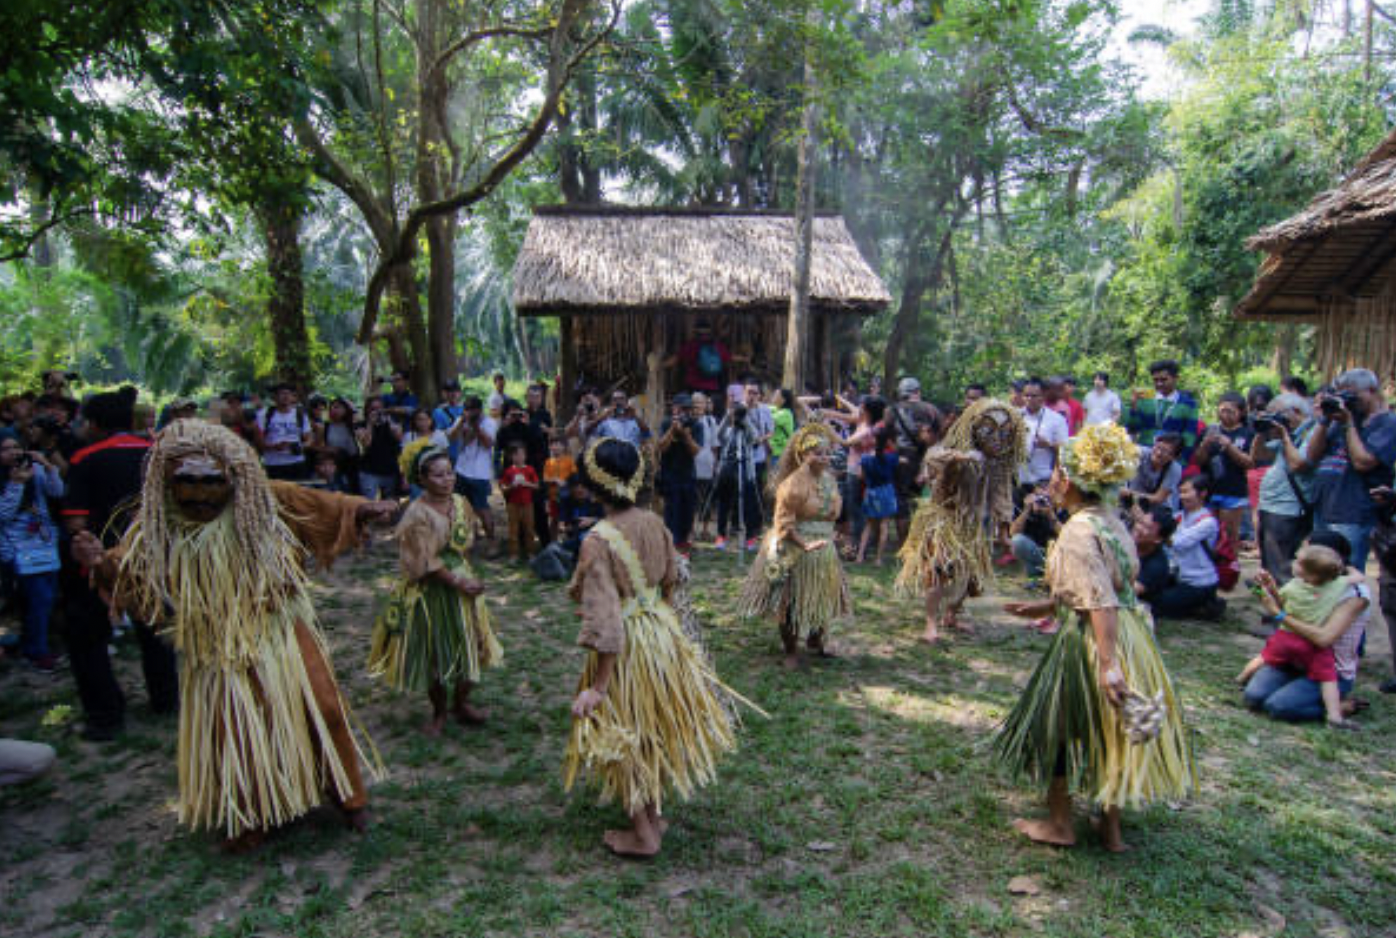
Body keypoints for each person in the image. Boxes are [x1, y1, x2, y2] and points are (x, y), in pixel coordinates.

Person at [73, 420, 396, 848]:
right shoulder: (159, 523)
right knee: (237, 731)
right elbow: (130, 574)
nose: (199, 494)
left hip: (281, 629)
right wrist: (99, 563)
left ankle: (350, 799)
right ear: (167, 480)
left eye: (211, 480)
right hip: (217, 645)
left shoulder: (267, 499)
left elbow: (323, 504)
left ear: (233, 476)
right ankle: (254, 814)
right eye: (186, 481)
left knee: (323, 708)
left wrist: (362, 509)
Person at [997, 423, 1194, 853]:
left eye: (1056, 473)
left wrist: (1107, 664)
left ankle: (1060, 825)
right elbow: (1109, 584)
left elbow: (1100, 599)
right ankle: (1110, 827)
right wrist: (1048, 606)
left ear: (1068, 480)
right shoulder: (1112, 521)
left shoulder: (1077, 530)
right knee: (1111, 727)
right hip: (1130, 634)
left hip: (1094, 639)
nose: (1051, 481)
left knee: (1060, 725)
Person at [563, 438, 757, 857]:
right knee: (650, 726)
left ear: (592, 486)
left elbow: (607, 623)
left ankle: (643, 835)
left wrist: (599, 686)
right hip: (661, 636)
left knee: (623, 730)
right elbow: (671, 577)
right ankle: (651, 817)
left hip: (628, 649)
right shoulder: (653, 520)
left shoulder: (597, 540)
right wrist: (655, 617)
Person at [60, 391, 178, 741]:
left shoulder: (85, 457)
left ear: (94, 424)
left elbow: (76, 523)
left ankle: (105, 717)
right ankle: (166, 700)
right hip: (151, 558)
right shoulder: (157, 454)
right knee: (155, 630)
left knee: (86, 639)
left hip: (101, 564)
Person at [369, 443, 502, 735]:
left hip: (463, 588)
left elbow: (465, 541)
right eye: (438, 475)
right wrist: (458, 581)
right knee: (436, 654)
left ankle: (461, 704)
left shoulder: (460, 502)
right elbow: (425, 560)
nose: (447, 479)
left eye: (450, 473)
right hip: (431, 591)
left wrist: (467, 573)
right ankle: (439, 712)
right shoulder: (417, 514)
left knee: (473, 645)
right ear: (422, 479)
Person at [898, 398, 1026, 643]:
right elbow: (933, 457)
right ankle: (931, 624)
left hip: (971, 525)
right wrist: (959, 458)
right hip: (943, 519)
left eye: (1003, 434)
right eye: (990, 432)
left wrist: (1003, 531)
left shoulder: (998, 464)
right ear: (976, 430)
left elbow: (1001, 497)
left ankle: (951, 615)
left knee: (969, 576)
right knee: (938, 570)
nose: (997, 439)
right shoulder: (956, 447)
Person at [740, 425, 850, 668]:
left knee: (821, 595)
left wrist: (836, 537)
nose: (824, 457)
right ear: (803, 454)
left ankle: (816, 639)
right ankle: (791, 649)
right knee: (789, 599)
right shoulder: (792, 484)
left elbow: (833, 516)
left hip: (822, 548)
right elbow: (784, 524)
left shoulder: (830, 481)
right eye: (817, 453)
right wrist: (805, 544)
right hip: (793, 548)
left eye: (827, 453)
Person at [1246, 530, 1370, 719]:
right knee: (1253, 697)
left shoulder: (1355, 594)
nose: (1298, 558)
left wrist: (1279, 615)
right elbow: (1290, 610)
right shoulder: (1308, 579)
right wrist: (1270, 590)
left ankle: (1341, 707)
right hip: (1294, 657)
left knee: (1279, 707)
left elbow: (1324, 639)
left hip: (1329, 669)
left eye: (1304, 552)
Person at [1304, 368, 1396, 570]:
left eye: (1352, 394)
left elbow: (1363, 462)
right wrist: (1325, 419)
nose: (1347, 400)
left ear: (1371, 391)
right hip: (1325, 505)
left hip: (1354, 511)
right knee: (1319, 571)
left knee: (1346, 571)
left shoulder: (1388, 423)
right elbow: (1311, 456)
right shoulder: (1341, 420)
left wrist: (1348, 424)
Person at [0, 439, 64, 671]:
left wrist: (47, 466)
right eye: (5, 449)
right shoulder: (9, 479)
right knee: (39, 598)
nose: (13, 452)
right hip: (16, 548)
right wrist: (16, 484)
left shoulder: (34, 470)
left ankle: (34, 645)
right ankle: (37, 651)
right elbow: (3, 515)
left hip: (44, 543)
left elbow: (57, 491)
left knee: (44, 598)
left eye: (16, 447)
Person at [1252, 394, 1316, 584]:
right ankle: (1272, 598)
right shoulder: (1288, 433)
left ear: (1295, 412)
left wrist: (1284, 435)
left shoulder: (1310, 433)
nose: (1274, 420)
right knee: (1269, 566)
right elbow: (1258, 456)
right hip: (1272, 506)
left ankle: (1283, 601)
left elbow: (1298, 464)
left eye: (1277, 415)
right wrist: (1261, 430)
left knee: (1281, 567)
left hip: (1288, 508)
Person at [1150, 476, 1224, 620]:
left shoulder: (1208, 522)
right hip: (1179, 577)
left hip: (1199, 583)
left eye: (1186, 492)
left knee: (1157, 605)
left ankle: (1204, 605)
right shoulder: (1179, 516)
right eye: (1180, 492)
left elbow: (1178, 543)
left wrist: (1158, 535)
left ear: (1203, 493)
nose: (1182, 497)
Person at [1192, 392, 1255, 548]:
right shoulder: (1210, 430)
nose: (1225, 415)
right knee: (1207, 534)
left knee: (1229, 536)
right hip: (1210, 489)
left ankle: (1230, 562)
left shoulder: (1248, 433)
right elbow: (1198, 461)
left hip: (1234, 490)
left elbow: (1249, 462)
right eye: (1222, 410)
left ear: (1241, 412)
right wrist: (1205, 444)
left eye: (1230, 411)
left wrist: (1229, 447)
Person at [889, 377, 941, 535]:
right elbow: (939, 436)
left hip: (902, 458)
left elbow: (887, 437)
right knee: (925, 499)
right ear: (918, 391)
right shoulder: (931, 409)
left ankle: (903, 542)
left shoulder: (892, 410)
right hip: (927, 457)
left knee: (901, 499)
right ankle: (923, 538)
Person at [1125, 359, 1199, 458]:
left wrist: (1180, 461)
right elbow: (1133, 429)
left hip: (1170, 458)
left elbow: (1189, 437)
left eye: (1164, 380)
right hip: (1144, 455)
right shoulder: (1145, 400)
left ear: (1176, 378)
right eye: (1155, 380)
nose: (1159, 384)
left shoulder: (1189, 404)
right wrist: (1134, 407)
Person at [656, 393, 702, 550]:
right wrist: (672, 430)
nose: (684, 412)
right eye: (681, 409)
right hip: (669, 475)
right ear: (674, 408)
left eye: (687, 409)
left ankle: (683, 543)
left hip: (688, 474)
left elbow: (695, 451)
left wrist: (686, 435)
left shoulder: (696, 425)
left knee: (687, 511)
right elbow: (661, 447)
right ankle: (670, 544)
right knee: (671, 511)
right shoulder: (666, 422)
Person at [712, 403, 761, 550]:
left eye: (739, 414)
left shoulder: (747, 431)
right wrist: (727, 417)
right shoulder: (728, 431)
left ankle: (749, 538)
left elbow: (755, 437)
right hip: (727, 469)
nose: (737, 417)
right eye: (736, 414)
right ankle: (721, 536)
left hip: (745, 471)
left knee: (748, 505)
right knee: (724, 504)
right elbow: (718, 434)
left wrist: (745, 420)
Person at [449, 395, 498, 542]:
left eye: (473, 411)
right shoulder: (461, 420)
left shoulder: (489, 422)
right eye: (467, 410)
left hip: (480, 474)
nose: (470, 414)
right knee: (459, 507)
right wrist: (461, 422)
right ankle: (469, 537)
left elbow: (488, 444)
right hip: (461, 470)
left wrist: (476, 427)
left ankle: (491, 540)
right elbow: (450, 438)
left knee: (481, 508)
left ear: (480, 410)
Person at [856, 426, 899, 565]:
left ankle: (860, 556)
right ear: (887, 441)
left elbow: (860, 476)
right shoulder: (891, 457)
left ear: (873, 440)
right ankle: (878, 559)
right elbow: (897, 460)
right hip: (887, 491)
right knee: (884, 525)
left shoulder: (865, 458)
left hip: (871, 492)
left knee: (868, 525)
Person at [1018, 378, 1069, 491]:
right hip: (1017, 479)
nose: (1029, 399)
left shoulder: (1056, 420)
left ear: (1043, 396)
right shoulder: (1015, 416)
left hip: (1043, 481)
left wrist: (1048, 445)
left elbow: (1066, 450)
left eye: (1034, 396)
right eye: (1026, 395)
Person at [257, 383, 313, 481]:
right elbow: (258, 441)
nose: (286, 396)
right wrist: (274, 447)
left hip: (296, 462)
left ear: (293, 397)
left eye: (288, 394)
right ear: (275, 397)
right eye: (282, 393)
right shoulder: (264, 414)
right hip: (273, 463)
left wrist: (299, 446)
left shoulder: (300, 414)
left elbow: (309, 439)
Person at [1009, 483, 1061, 583]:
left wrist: (1051, 515)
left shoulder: (1060, 507)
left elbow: (1065, 534)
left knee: (1032, 569)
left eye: (1044, 497)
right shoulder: (1025, 508)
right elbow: (1013, 533)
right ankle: (1043, 572)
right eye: (1037, 497)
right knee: (1017, 540)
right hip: (1034, 552)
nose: (1041, 501)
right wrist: (1026, 510)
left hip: (1055, 554)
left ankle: (1041, 574)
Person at [356, 396, 403, 499]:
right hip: (369, 471)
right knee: (369, 503)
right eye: (372, 408)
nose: (376, 411)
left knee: (391, 503)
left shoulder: (392, 422)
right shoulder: (360, 425)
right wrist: (370, 424)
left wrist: (389, 421)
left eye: (379, 408)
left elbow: (399, 437)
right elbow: (366, 444)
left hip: (391, 470)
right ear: (367, 410)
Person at [1126, 432, 1183, 513]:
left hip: (1152, 508)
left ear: (1173, 457)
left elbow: (1158, 498)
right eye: (1158, 447)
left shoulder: (1175, 470)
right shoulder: (1140, 452)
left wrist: (1129, 494)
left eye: (1165, 451)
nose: (1159, 453)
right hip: (1129, 499)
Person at [499, 444, 539, 559]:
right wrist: (511, 486)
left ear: (525, 456)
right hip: (513, 504)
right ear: (512, 457)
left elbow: (537, 486)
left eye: (522, 454)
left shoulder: (530, 469)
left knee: (529, 529)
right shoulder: (509, 471)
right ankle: (513, 554)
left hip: (527, 504)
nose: (519, 457)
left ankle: (531, 552)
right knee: (513, 530)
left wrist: (526, 483)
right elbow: (503, 487)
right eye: (516, 454)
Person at [1131, 505, 1176, 607]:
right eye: (1140, 522)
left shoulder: (1157, 566)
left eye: (1146, 527)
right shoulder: (1130, 543)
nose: (1138, 528)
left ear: (1158, 539)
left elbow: (1129, 592)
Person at [691, 392, 720, 541]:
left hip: (707, 466)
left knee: (707, 500)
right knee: (691, 500)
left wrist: (715, 465)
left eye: (700, 402)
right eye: (694, 402)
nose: (697, 405)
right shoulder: (688, 421)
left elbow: (715, 446)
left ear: (705, 405)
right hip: (690, 467)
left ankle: (705, 530)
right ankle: (691, 529)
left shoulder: (711, 421)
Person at [543, 434, 577, 542]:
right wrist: (554, 480)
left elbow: (574, 476)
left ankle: (567, 541)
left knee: (567, 520)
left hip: (567, 496)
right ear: (549, 447)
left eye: (558, 444)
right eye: (553, 444)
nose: (555, 447)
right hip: (553, 497)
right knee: (554, 519)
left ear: (564, 446)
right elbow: (545, 479)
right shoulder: (548, 462)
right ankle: (552, 541)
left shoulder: (569, 460)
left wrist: (566, 482)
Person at [743, 382, 776, 491]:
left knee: (757, 487)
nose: (752, 396)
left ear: (759, 395)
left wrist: (761, 439)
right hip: (742, 456)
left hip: (759, 456)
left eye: (755, 393)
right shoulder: (739, 409)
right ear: (744, 393)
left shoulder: (765, 409)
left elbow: (771, 431)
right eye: (749, 392)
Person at [769, 389, 798, 460]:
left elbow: (767, 420)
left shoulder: (785, 413)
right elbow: (763, 408)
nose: (773, 396)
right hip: (774, 451)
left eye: (776, 395)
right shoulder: (776, 409)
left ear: (783, 400)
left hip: (779, 453)